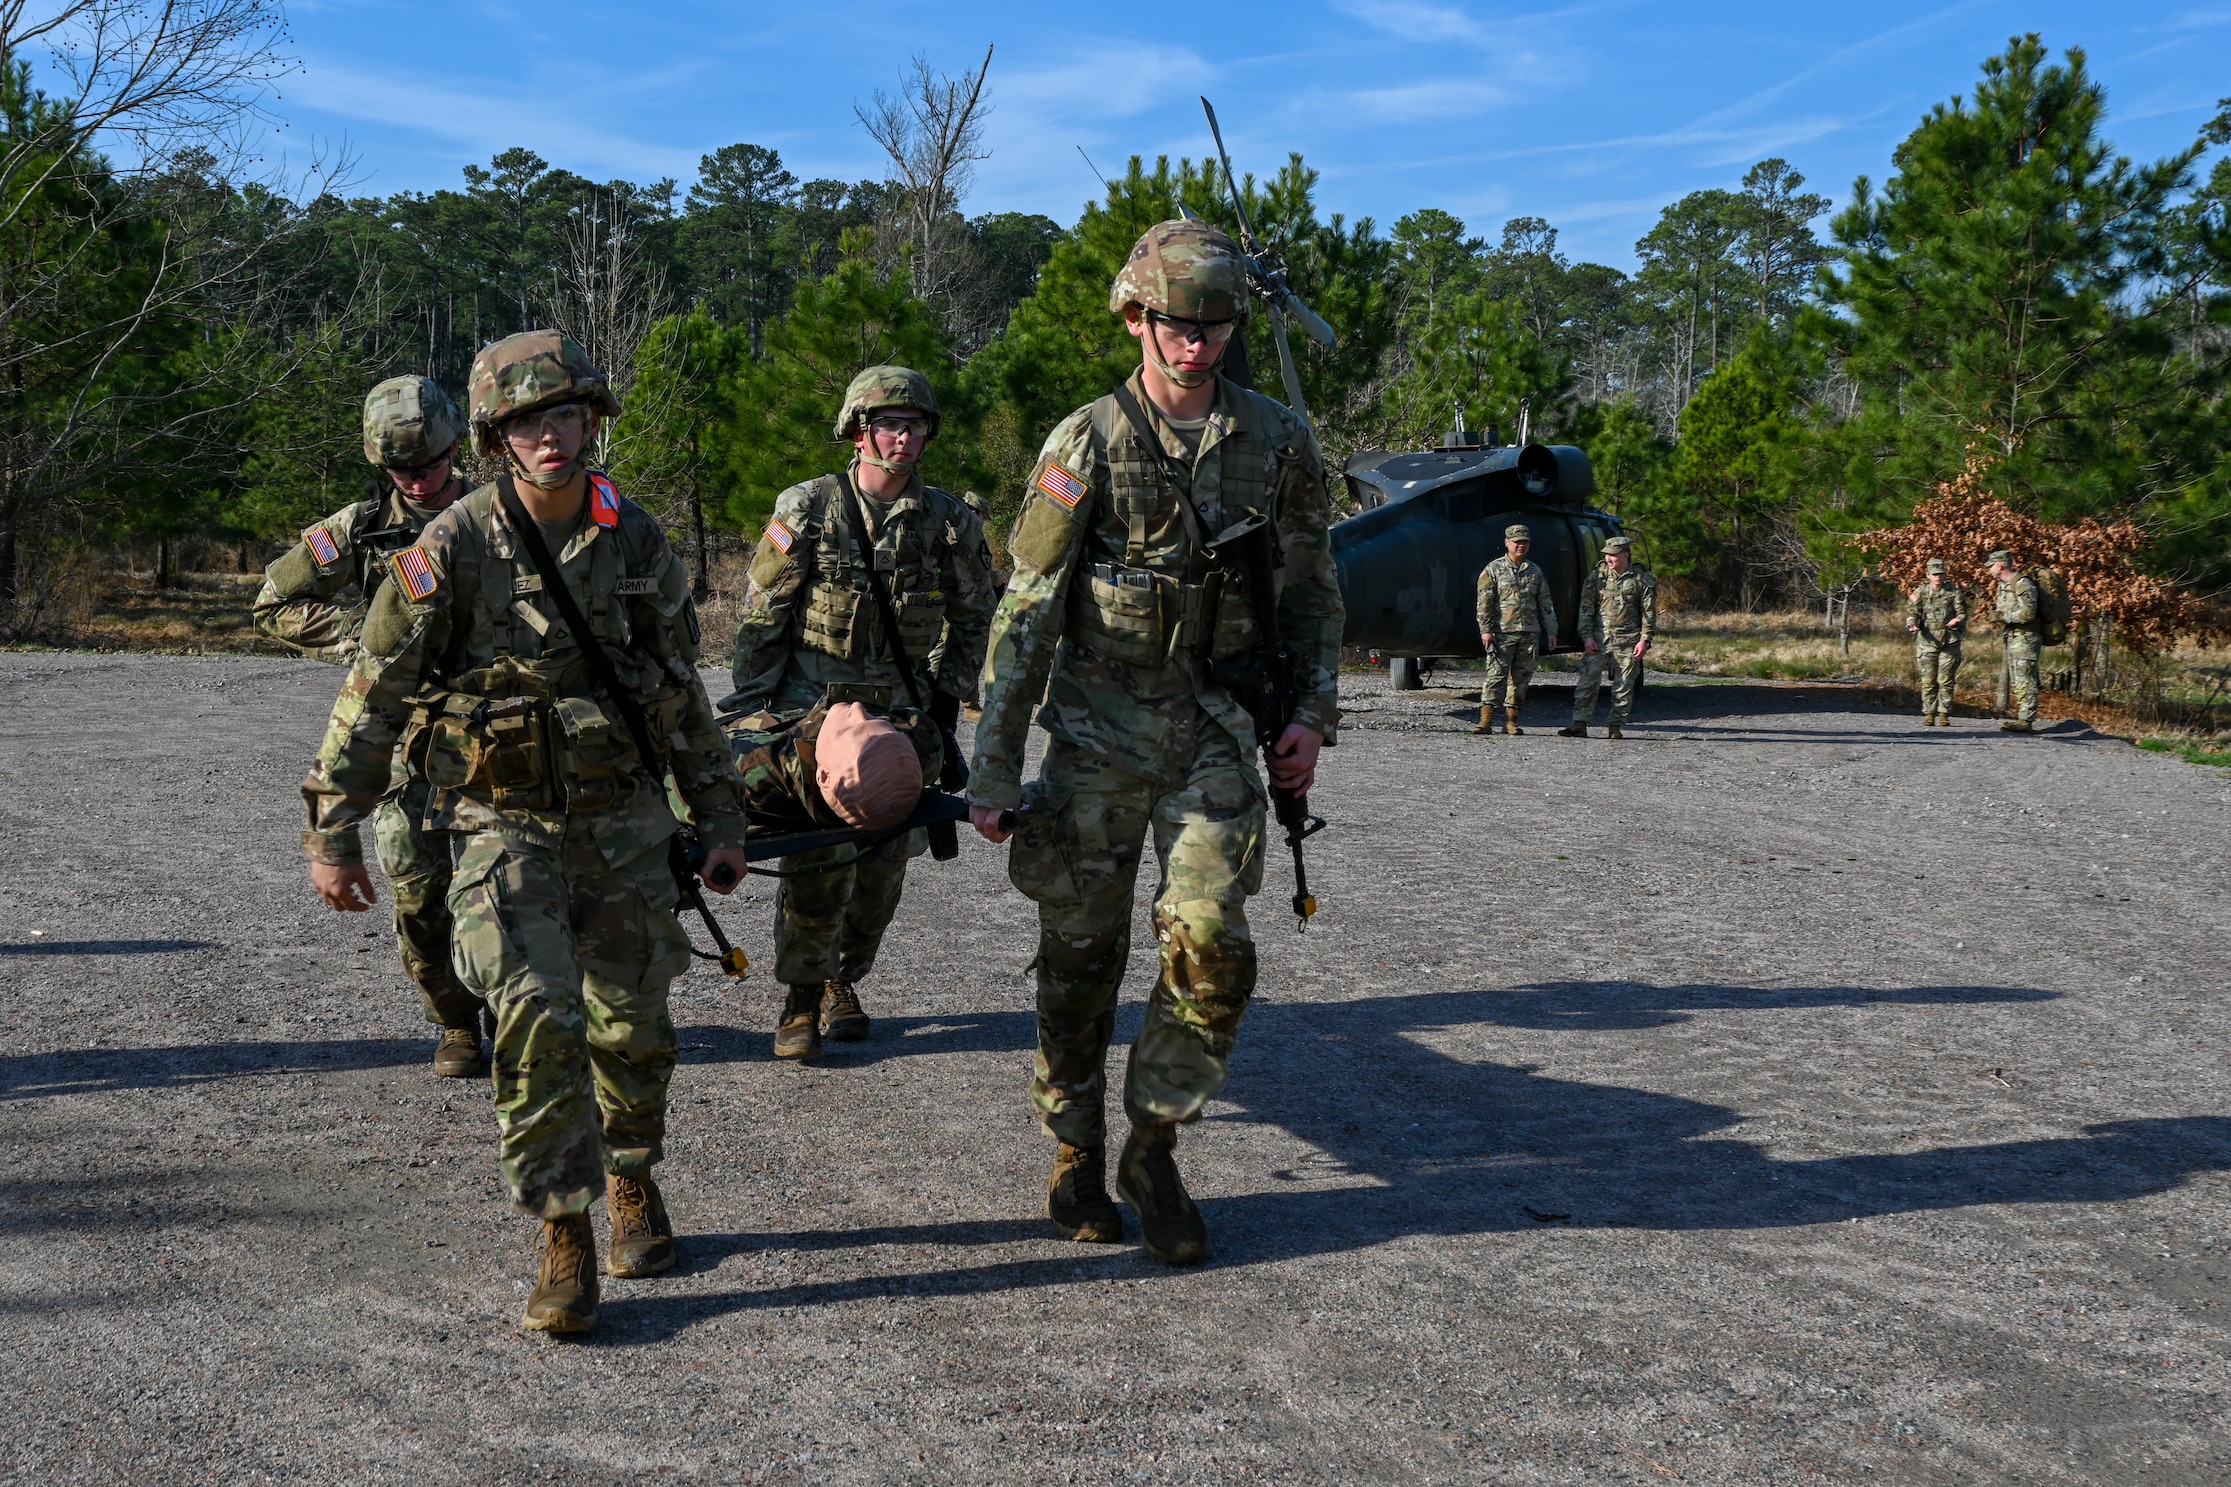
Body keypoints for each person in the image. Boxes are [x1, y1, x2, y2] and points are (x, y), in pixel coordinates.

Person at [300, 330, 749, 1334]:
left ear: (592, 422)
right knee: (536, 1013)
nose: (551, 436)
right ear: (496, 436)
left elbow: (678, 687)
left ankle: (630, 1173)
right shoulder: (452, 543)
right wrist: (332, 830)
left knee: (633, 1027)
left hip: (624, 822)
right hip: (502, 821)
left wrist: (719, 813)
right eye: (528, 421)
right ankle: (563, 1226)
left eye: (567, 415)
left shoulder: (633, 536)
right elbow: (374, 692)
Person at [966, 219, 1342, 1266]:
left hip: (1213, 730)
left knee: (1212, 945)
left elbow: (1313, 588)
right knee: (1078, 958)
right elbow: (1026, 611)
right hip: (1095, 734)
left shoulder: (1277, 440)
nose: (1196, 342)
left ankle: (1154, 1145)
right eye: (1178, 321)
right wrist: (995, 763)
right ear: (1135, 316)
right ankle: (1073, 1147)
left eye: (1215, 324)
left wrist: (1309, 714)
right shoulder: (1084, 442)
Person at [722, 367, 996, 1061]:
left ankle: (842, 978)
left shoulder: (949, 522)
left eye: (915, 425)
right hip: (810, 713)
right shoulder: (810, 508)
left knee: (882, 865)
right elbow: (763, 616)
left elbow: (974, 616)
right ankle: (800, 999)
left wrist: (945, 699)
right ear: (857, 431)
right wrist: (756, 716)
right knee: (820, 859)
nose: (903, 438)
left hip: (900, 714)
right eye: (889, 425)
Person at [256, 377, 488, 1076]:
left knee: (510, 887)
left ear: (456, 447)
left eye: (431, 464)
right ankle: (455, 1021)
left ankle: (519, 1014)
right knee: (419, 897)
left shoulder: (496, 514)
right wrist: (366, 636)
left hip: (493, 735)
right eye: (400, 469)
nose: (417, 480)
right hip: (400, 739)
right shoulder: (359, 529)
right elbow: (273, 602)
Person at [1559, 535, 1655, 739]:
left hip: (1628, 641)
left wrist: (1644, 639)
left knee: (1623, 686)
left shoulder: (1640, 578)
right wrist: (1586, 637)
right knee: (1587, 681)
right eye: (1607, 555)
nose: (1609, 558)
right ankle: (1579, 724)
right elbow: (1586, 609)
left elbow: (1648, 612)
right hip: (1599, 639)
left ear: (1625, 555)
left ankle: (1615, 727)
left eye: (1613, 555)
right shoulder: (1597, 577)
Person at [1474, 524, 1557, 734]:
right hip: (1502, 633)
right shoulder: (1493, 569)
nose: (1521, 545)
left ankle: (1511, 721)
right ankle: (1486, 721)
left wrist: (1552, 630)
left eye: (1525, 542)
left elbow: (1545, 603)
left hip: (1529, 634)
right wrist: (1486, 630)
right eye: (1517, 542)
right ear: (1507, 543)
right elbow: (1484, 602)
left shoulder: (1535, 571)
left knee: (1521, 680)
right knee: (1496, 676)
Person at [1906, 557, 1967, 726]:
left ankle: (1944, 713)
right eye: (1934, 574)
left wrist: (1958, 620)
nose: (1938, 577)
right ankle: (1929, 713)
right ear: (1928, 575)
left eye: (1940, 574)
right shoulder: (1921, 592)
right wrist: (1912, 623)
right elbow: (1912, 611)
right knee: (1928, 680)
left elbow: (1962, 613)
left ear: (1945, 574)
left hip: (1949, 640)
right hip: (1927, 640)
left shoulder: (1954, 592)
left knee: (1946, 679)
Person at [1986, 549, 2040, 733]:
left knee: (2025, 678)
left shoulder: (2023, 584)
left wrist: (2003, 617)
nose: (1989, 569)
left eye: (1991, 566)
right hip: (2013, 637)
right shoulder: (2004, 586)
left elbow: (2028, 613)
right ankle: (2023, 718)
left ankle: (2026, 720)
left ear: (2000, 566)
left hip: (2026, 638)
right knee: (2018, 679)